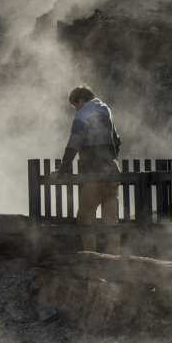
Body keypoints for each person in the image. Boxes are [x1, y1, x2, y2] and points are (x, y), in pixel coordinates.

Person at [61, 85, 122, 250]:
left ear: (81, 100)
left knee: (85, 216)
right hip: (111, 170)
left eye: (75, 105)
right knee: (111, 218)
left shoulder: (83, 114)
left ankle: (90, 257)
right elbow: (117, 140)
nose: (75, 109)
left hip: (93, 172)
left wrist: (64, 167)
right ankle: (113, 257)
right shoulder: (106, 110)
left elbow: (74, 142)